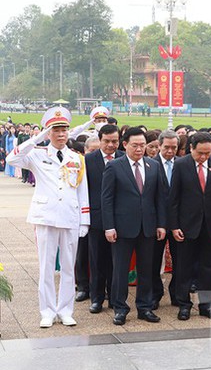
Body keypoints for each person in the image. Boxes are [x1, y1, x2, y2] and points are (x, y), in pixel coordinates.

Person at [7, 108, 90, 328]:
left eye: (64, 130)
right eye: (56, 130)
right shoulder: (37, 153)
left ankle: (65, 310)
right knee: (46, 267)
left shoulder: (77, 158)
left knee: (68, 267)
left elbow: (83, 190)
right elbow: (11, 158)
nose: (61, 134)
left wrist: (85, 219)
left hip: (70, 216)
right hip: (45, 216)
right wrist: (36, 138)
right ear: (48, 132)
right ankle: (47, 311)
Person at [102, 127, 167, 325]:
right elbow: (107, 199)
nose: (139, 149)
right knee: (120, 270)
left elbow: (160, 198)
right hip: (122, 228)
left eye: (142, 145)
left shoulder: (153, 166)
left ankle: (145, 307)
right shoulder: (115, 166)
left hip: (147, 227)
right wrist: (109, 227)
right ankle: (120, 308)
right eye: (135, 145)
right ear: (125, 145)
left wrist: (161, 224)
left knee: (147, 269)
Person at [168, 132, 211, 320]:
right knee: (184, 267)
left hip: (210, 224)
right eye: (200, 153)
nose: (204, 157)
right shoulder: (181, 164)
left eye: (207, 153)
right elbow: (174, 198)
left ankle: (206, 305)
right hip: (187, 225)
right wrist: (174, 225)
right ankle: (184, 304)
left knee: (208, 266)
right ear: (191, 149)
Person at [84, 124, 123, 314]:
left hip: (121, 218)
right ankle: (97, 298)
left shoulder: (124, 157)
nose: (110, 145)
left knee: (117, 262)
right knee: (98, 260)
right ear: (99, 140)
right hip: (97, 219)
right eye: (106, 141)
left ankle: (115, 298)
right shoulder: (88, 160)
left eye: (114, 141)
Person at [150, 130, 179, 309]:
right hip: (156, 222)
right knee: (153, 261)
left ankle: (177, 293)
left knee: (180, 261)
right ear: (159, 146)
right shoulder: (150, 165)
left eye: (173, 147)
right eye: (166, 147)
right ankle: (155, 294)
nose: (170, 151)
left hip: (178, 222)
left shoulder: (183, 165)